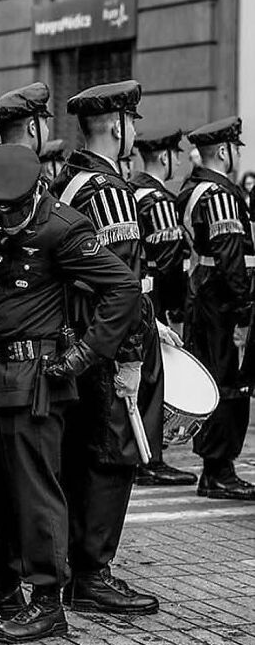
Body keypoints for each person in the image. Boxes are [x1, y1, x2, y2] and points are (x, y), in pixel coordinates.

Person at [0, 145, 144, 642]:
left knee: (36, 492)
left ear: (32, 194)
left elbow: (124, 288)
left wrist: (86, 356)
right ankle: (2, 583)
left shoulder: (64, 226)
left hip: (38, 378)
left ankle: (49, 600)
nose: (1, 220)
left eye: (9, 210)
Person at [51, 80, 160, 614]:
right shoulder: (111, 190)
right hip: (107, 344)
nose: (134, 133)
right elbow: (124, 282)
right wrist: (133, 355)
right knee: (112, 455)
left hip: (76, 338)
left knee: (79, 453)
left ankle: (75, 563)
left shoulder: (67, 181)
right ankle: (94, 572)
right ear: (116, 126)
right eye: (132, 123)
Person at [177, 117, 255, 500]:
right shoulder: (220, 194)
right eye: (236, 148)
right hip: (222, 302)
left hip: (203, 295)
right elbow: (231, 258)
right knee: (231, 384)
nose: (237, 154)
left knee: (215, 379)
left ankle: (213, 469)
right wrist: (244, 309)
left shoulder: (193, 188)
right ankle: (220, 471)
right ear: (224, 151)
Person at [131, 128, 196, 487]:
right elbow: (169, 263)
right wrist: (173, 309)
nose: (180, 160)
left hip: (131, 295)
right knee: (152, 379)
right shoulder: (158, 199)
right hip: (150, 297)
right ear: (166, 157)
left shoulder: (132, 190)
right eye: (176, 154)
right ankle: (150, 459)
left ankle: (140, 453)